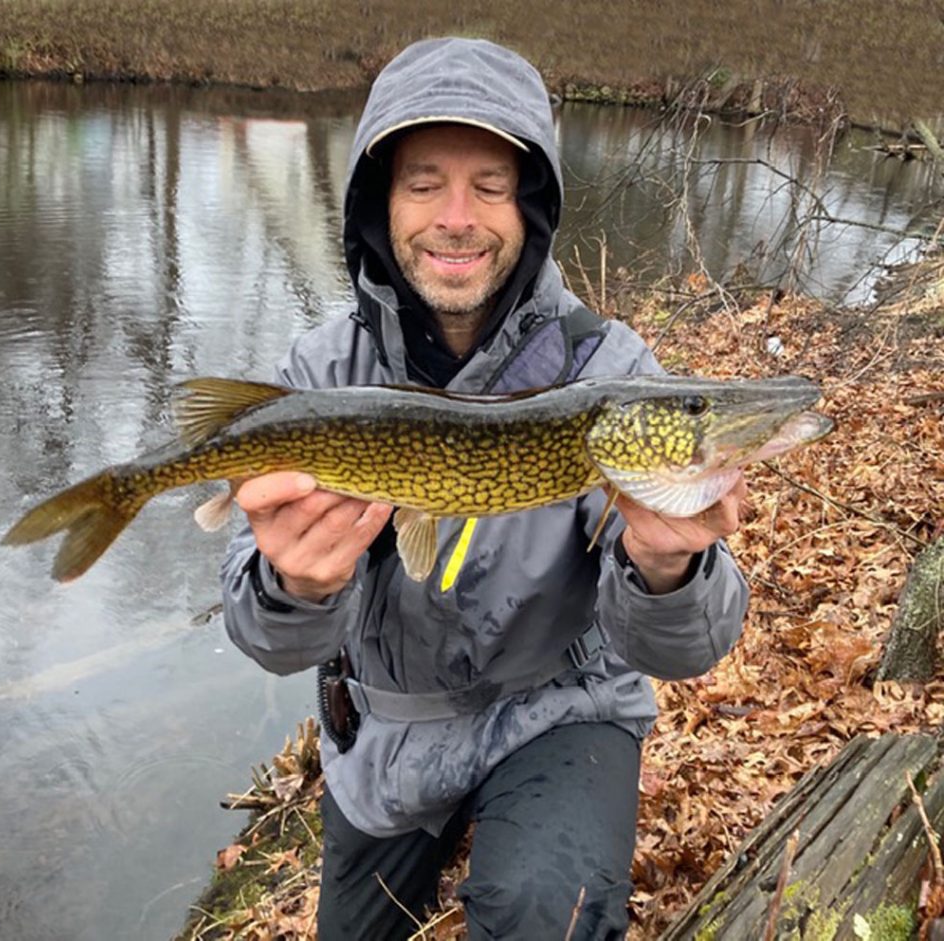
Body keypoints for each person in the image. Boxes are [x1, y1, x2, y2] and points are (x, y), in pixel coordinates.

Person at [221, 37, 748, 940]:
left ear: (529, 207)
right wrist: (295, 586)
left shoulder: (608, 372)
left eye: (491, 187)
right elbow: (260, 633)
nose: (456, 217)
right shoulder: (318, 373)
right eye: (424, 183)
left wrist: (669, 574)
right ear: (380, 205)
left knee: (550, 910)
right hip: (386, 735)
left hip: (557, 709)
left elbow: (690, 645)